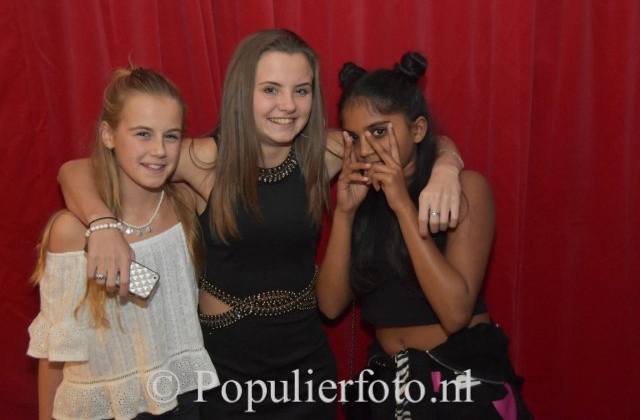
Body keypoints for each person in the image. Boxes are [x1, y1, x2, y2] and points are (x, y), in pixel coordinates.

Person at [57, 30, 463, 418]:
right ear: (242, 92)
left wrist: (447, 166)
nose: (287, 105)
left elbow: (410, 137)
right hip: (227, 375)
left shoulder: (325, 153)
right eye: (270, 89)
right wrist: (102, 224)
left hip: (306, 369)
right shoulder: (205, 160)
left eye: (301, 90)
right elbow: (77, 170)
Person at [317, 53, 531, 419]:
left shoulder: (464, 189)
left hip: (458, 381)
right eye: (354, 136)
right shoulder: (365, 197)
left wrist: (403, 206)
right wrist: (344, 214)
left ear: (417, 130)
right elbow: (330, 305)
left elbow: (455, 313)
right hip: (388, 384)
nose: (366, 149)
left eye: (379, 131)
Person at [27, 68, 218, 420]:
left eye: (171, 136)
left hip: (185, 401)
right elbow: (56, 350)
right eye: (143, 134)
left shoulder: (184, 207)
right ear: (109, 135)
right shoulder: (71, 231)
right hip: (100, 408)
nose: (158, 150)